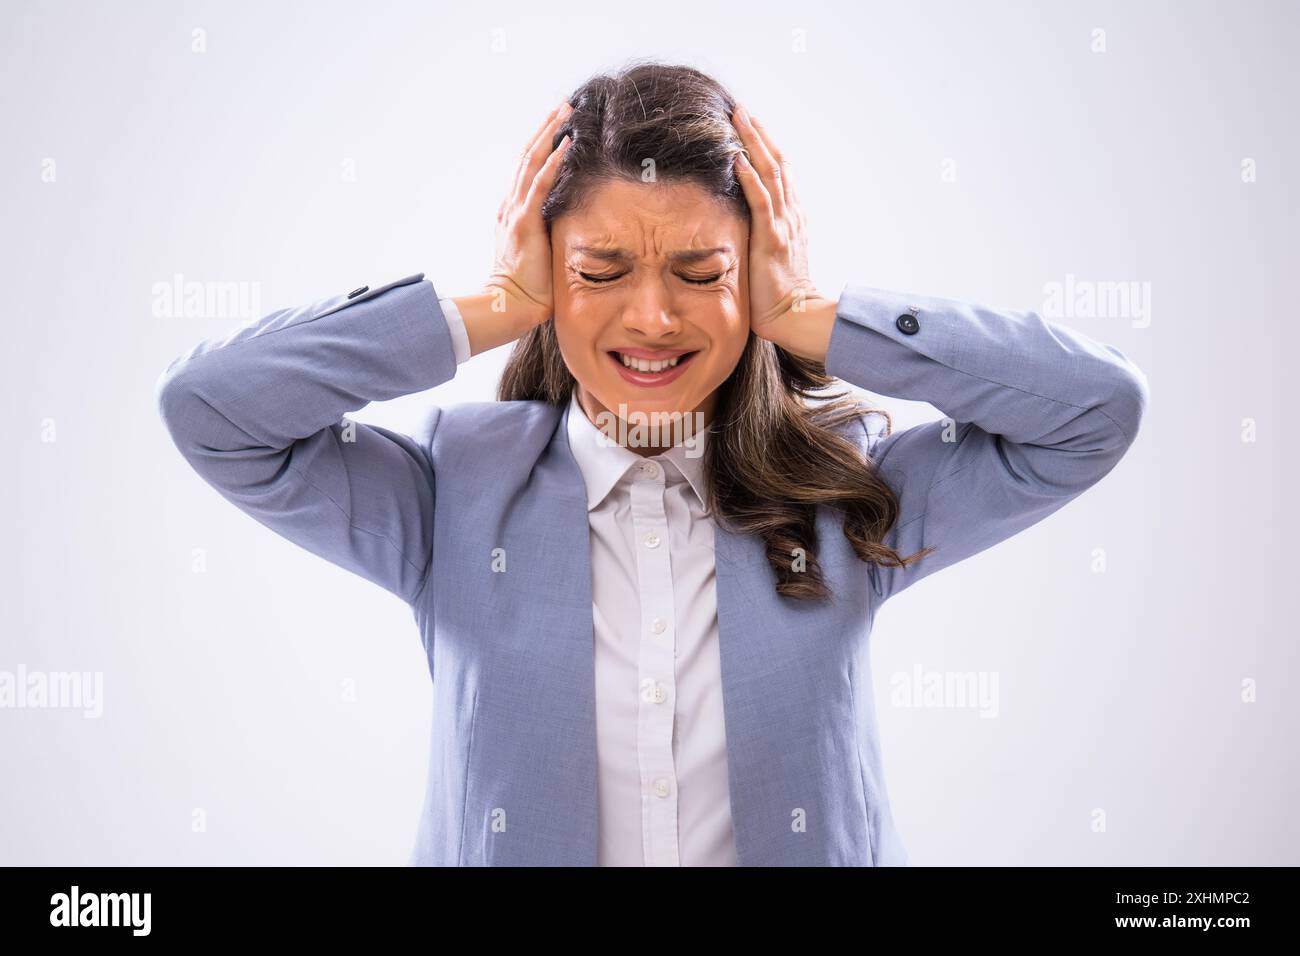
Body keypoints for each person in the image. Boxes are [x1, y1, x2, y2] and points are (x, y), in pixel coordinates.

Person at [155, 62, 1149, 866]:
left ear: (752, 276)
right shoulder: (449, 490)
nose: (651, 317)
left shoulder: (846, 483)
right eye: (599, 271)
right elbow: (211, 409)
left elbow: (1093, 411)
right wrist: (488, 307)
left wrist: (816, 319)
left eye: (699, 271)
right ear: (550, 273)